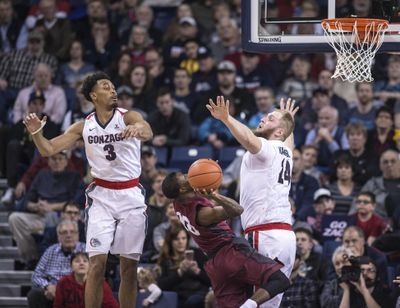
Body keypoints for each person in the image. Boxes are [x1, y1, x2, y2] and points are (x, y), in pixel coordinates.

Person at [22, 72, 153, 308]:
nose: (113, 90)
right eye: (106, 87)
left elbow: (146, 129)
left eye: (113, 87)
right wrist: (36, 133)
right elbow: (48, 149)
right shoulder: (84, 126)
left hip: (131, 195)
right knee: (96, 264)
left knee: (129, 266)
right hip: (101, 197)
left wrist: (137, 130)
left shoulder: (127, 116)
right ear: (94, 95)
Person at [206, 95, 297, 307]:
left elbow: (248, 139)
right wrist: (288, 120)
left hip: (264, 234)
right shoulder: (286, 152)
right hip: (284, 237)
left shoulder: (268, 147)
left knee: (252, 302)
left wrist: (227, 119)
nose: (264, 119)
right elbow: (287, 136)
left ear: (279, 132)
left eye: (271, 119)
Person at [161, 172, 291, 308]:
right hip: (231, 252)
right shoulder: (202, 214)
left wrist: (208, 172)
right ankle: (249, 305)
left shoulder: (177, 203)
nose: (189, 175)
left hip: (215, 265)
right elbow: (237, 210)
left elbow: (191, 186)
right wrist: (213, 195)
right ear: (182, 189)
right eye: (185, 177)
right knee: (280, 280)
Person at [53, 252, 119, 308]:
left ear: (90, 266)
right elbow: (57, 305)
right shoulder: (63, 282)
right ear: (71, 266)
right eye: (77, 261)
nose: (81, 263)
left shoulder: (99, 283)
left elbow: (111, 305)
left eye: (85, 261)